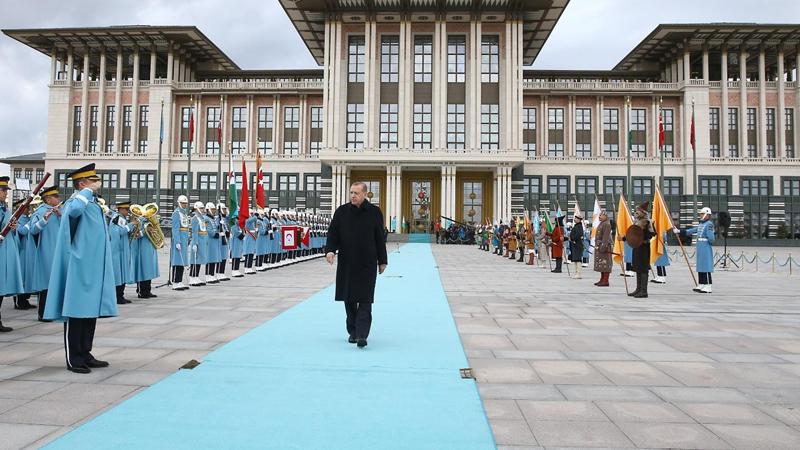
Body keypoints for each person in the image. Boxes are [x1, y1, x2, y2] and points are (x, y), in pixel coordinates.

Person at [43, 164, 117, 373]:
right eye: (93, 180)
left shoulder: (93, 203)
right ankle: (73, 358)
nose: (98, 183)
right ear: (82, 183)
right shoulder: (76, 201)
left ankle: (85, 353)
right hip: (78, 265)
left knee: (89, 312)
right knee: (76, 311)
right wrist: (85, 191)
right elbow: (73, 213)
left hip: (93, 266)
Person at [325, 182, 388, 349]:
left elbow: (379, 238)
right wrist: (330, 251)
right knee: (349, 298)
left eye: (356, 193)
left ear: (365, 194)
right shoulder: (342, 212)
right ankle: (352, 331)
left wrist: (382, 261)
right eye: (351, 192)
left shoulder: (374, 213)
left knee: (366, 299)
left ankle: (362, 335)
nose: (353, 195)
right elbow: (333, 234)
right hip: (347, 262)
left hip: (367, 263)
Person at [30, 185, 61, 321]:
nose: (58, 198)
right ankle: (43, 313)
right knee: (46, 283)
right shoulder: (40, 212)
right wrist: (44, 220)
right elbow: (33, 230)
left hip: (58, 251)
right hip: (46, 251)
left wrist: (61, 215)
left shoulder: (59, 211)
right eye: (56, 197)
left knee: (56, 283)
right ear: (48, 199)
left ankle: (54, 311)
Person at [0, 176, 24, 332]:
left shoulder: (5, 209)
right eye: (2, 190)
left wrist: (13, 227)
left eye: (5, 190)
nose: (5, 193)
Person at [675, 207, 715, 293]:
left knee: (706, 266)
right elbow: (691, 231)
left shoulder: (709, 224)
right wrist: (679, 231)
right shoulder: (701, 224)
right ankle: (701, 283)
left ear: (706, 215)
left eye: (702, 214)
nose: (700, 215)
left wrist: (707, 242)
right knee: (700, 265)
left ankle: (708, 285)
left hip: (705, 246)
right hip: (700, 246)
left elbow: (711, 238)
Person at [620, 201, 655, 298]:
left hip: (644, 248)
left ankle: (644, 291)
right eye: (636, 211)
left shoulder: (647, 222)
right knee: (638, 268)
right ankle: (638, 289)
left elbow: (651, 234)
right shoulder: (636, 222)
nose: (636, 213)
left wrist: (643, 237)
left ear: (643, 212)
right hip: (637, 247)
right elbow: (632, 235)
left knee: (643, 269)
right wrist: (623, 238)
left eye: (638, 211)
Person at [131, 204, 160, 298]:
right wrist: (145, 231)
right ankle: (141, 291)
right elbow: (135, 235)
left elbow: (156, 232)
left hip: (150, 247)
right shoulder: (138, 221)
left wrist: (153, 230)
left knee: (149, 269)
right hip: (141, 249)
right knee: (142, 269)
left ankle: (147, 290)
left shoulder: (150, 221)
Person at [109, 202, 135, 304]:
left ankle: (121, 295)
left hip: (123, 249)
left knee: (123, 272)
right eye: (126, 209)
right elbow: (118, 233)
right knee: (118, 273)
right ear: (120, 209)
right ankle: (117, 296)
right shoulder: (116, 219)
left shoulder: (122, 219)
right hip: (118, 250)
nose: (128, 212)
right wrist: (131, 225)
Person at [14, 200, 37, 310]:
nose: (29, 209)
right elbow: (22, 231)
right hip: (22, 251)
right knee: (22, 276)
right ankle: (19, 301)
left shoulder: (28, 219)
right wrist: (29, 224)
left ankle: (25, 299)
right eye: (27, 207)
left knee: (27, 275)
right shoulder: (16, 220)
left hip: (28, 250)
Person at [170, 195, 191, 290]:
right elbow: (175, 229)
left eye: (185, 203)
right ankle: (175, 282)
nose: (184, 205)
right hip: (179, 241)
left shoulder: (185, 213)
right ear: (179, 203)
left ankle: (180, 281)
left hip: (184, 239)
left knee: (182, 261)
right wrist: (177, 241)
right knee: (177, 261)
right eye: (183, 203)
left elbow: (186, 227)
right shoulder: (176, 213)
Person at [189, 202, 208, 286]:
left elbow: (204, 230)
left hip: (202, 241)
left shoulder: (202, 218)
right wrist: (195, 243)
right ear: (196, 208)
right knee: (195, 260)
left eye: (202, 208)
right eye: (200, 208)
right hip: (197, 241)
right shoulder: (195, 218)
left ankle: (196, 276)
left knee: (199, 260)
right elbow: (194, 232)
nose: (202, 210)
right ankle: (192, 277)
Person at [593, 210, 613, 287]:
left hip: (605, 247)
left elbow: (605, 237)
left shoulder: (607, 224)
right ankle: (602, 279)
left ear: (606, 216)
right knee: (601, 264)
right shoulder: (602, 223)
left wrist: (602, 247)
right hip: (600, 246)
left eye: (601, 215)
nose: (599, 216)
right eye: (599, 215)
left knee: (605, 263)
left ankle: (605, 280)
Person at [569, 214, 585, 279]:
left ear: (579, 220)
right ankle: (576, 273)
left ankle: (578, 273)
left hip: (577, 245)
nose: (574, 219)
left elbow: (579, 234)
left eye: (576, 218)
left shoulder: (579, 226)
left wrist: (572, 238)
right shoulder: (576, 226)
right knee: (575, 259)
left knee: (578, 260)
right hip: (574, 245)